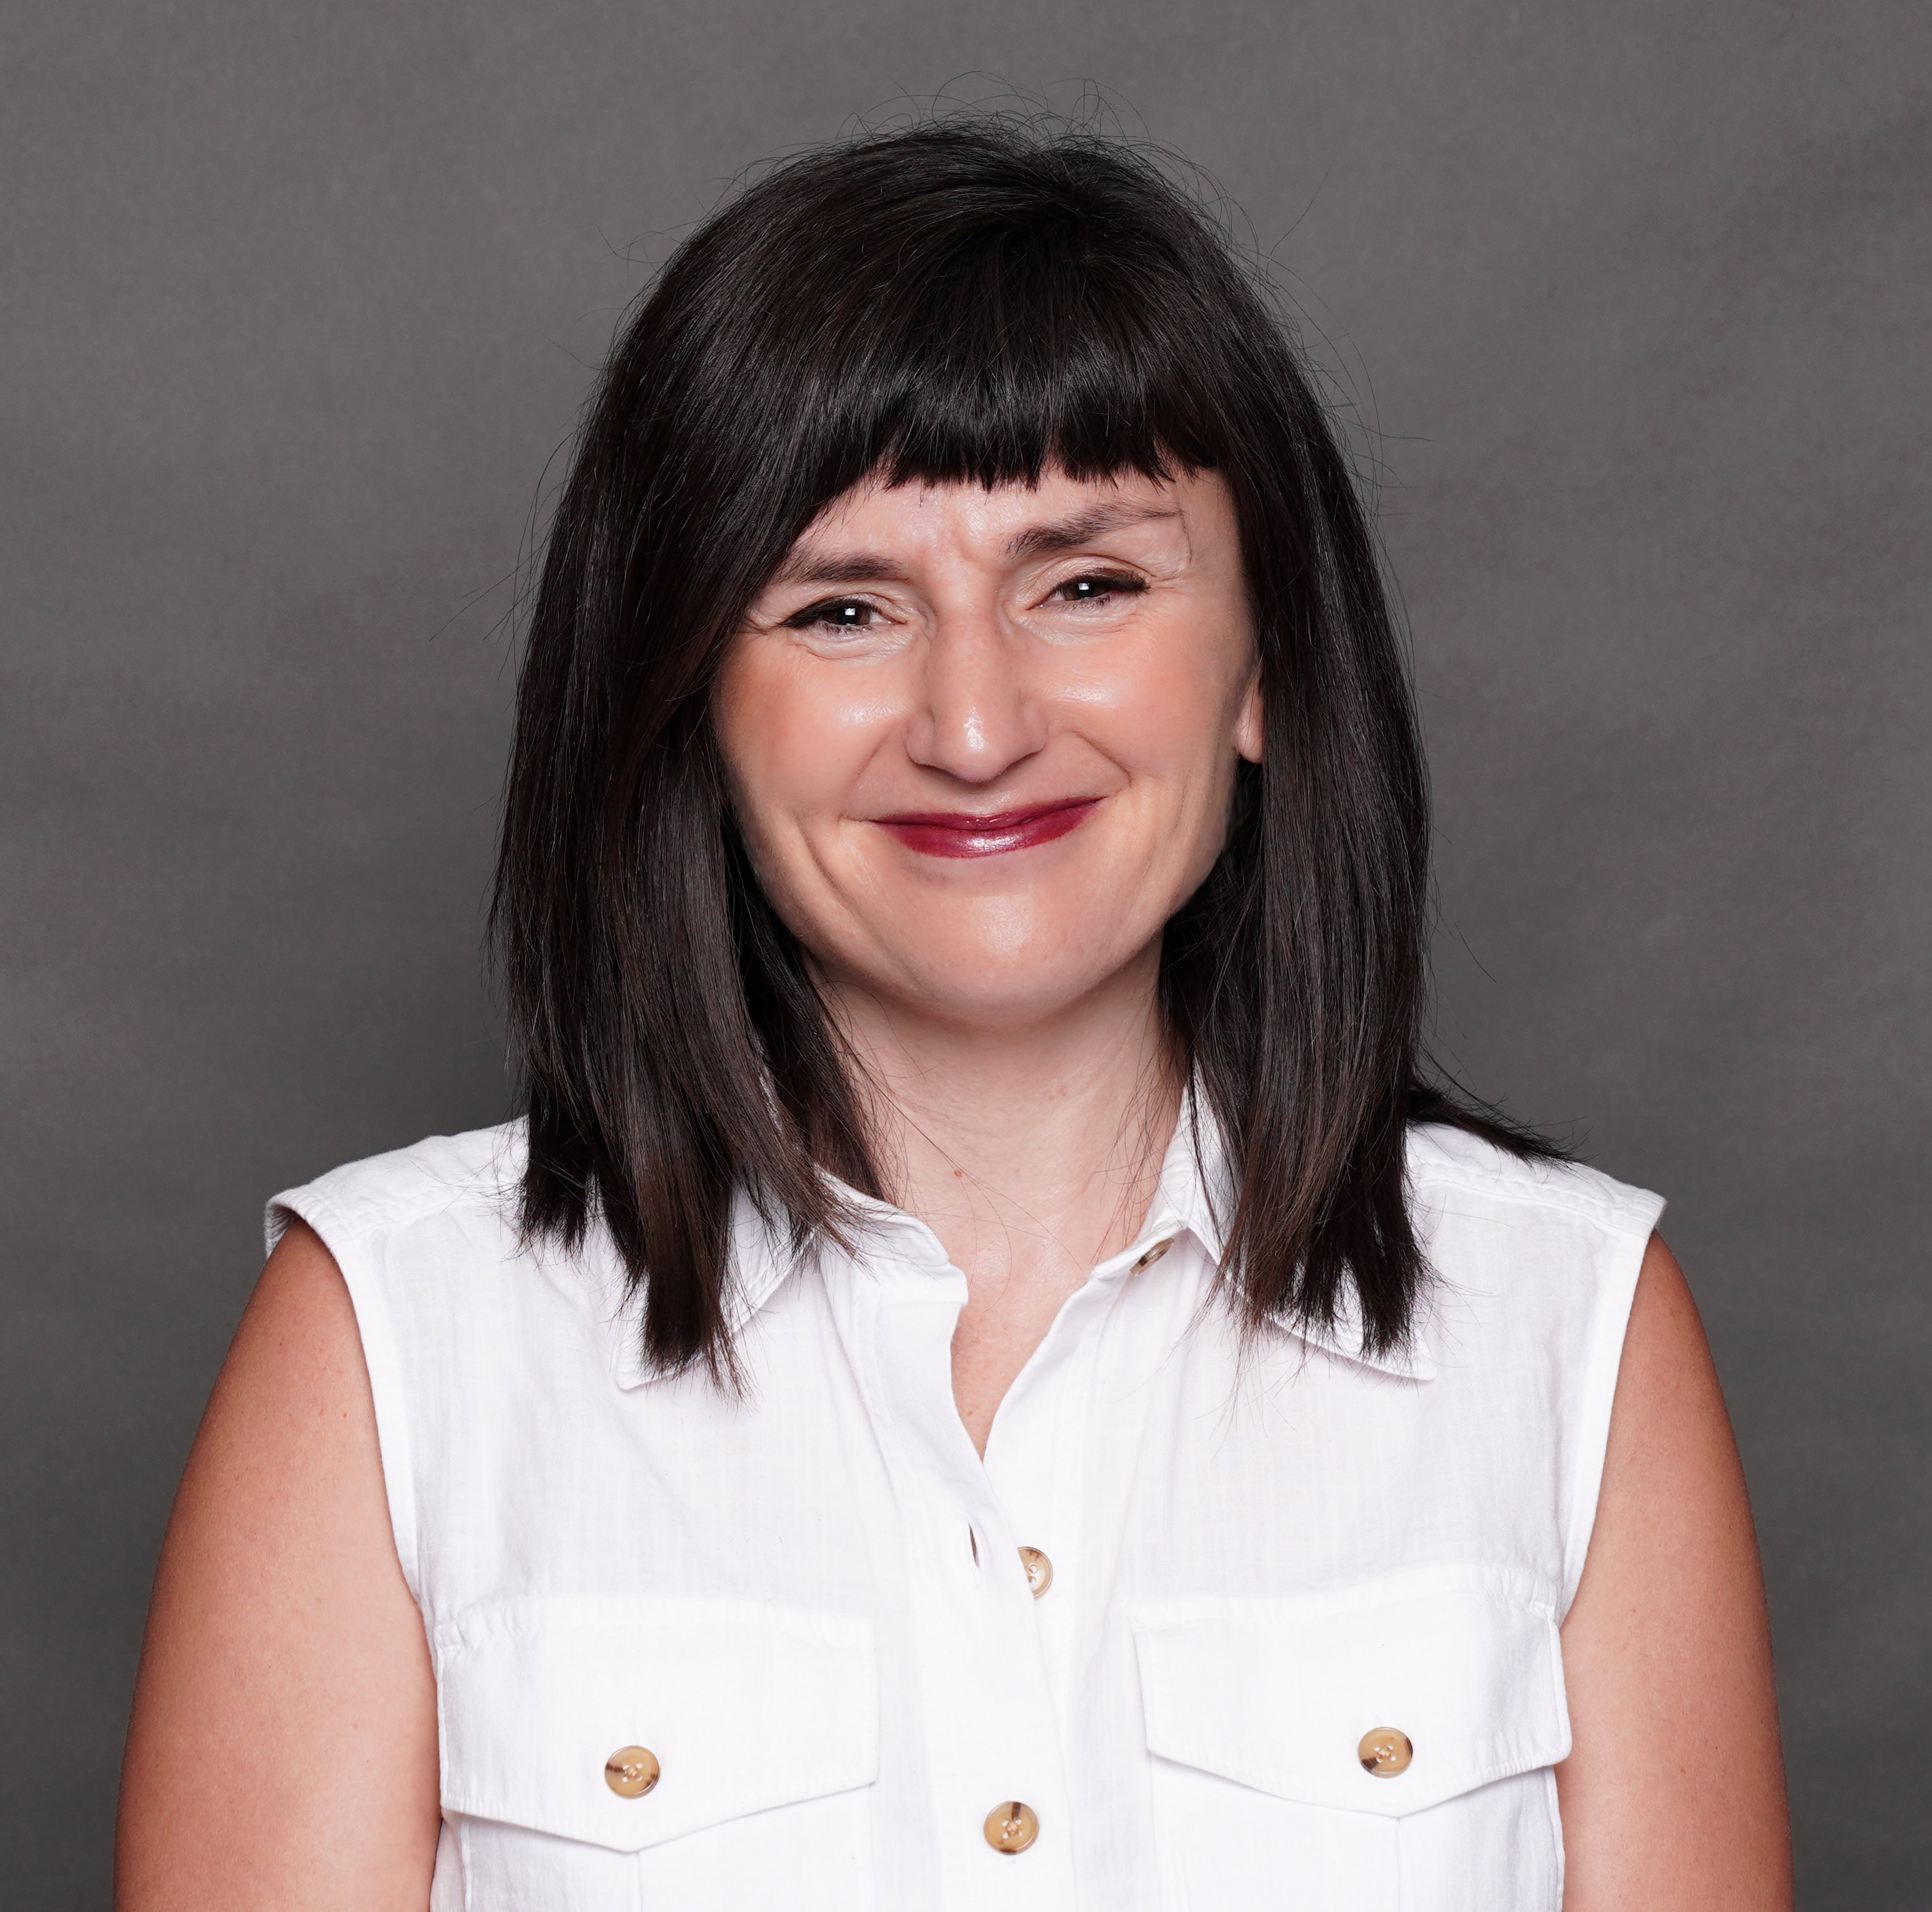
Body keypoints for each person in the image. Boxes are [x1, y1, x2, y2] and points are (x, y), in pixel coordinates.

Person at [115, 117, 1792, 1911]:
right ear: (690, 699)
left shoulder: (1563, 1322)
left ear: (1268, 664)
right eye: (841, 607)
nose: (974, 724)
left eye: (1087, 583)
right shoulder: (394, 1339)